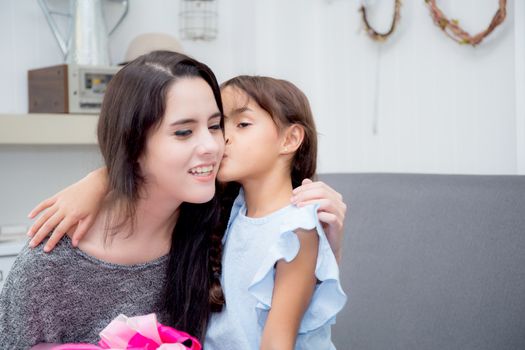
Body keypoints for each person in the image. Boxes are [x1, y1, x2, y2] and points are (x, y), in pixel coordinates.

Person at [2, 52, 347, 348]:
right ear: (133, 144)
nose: (214, 145)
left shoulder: (217, 222)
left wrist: (327, 244)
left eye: (216, 126)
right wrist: (100, 179)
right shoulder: (51, 265)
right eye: (184, 132)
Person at [204, 76, 346, 349]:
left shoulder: (297, 227)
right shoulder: (231, 213)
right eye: (219, 125)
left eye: (242, 124)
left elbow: (277, 342)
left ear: (290, 139)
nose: (223, 137)